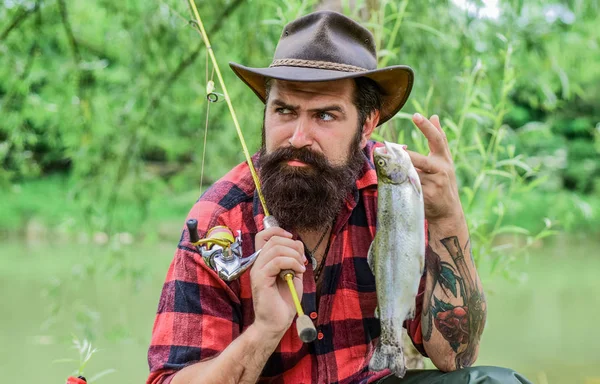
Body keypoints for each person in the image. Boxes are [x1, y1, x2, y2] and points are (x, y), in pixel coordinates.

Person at [147, 11, 530, 384]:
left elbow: (455, 356)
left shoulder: (393, 193)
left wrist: (448, 217)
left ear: (367, 124)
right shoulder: (220, 220)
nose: (298, 137)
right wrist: (264, 330)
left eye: (325, 116)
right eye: (283, 110)